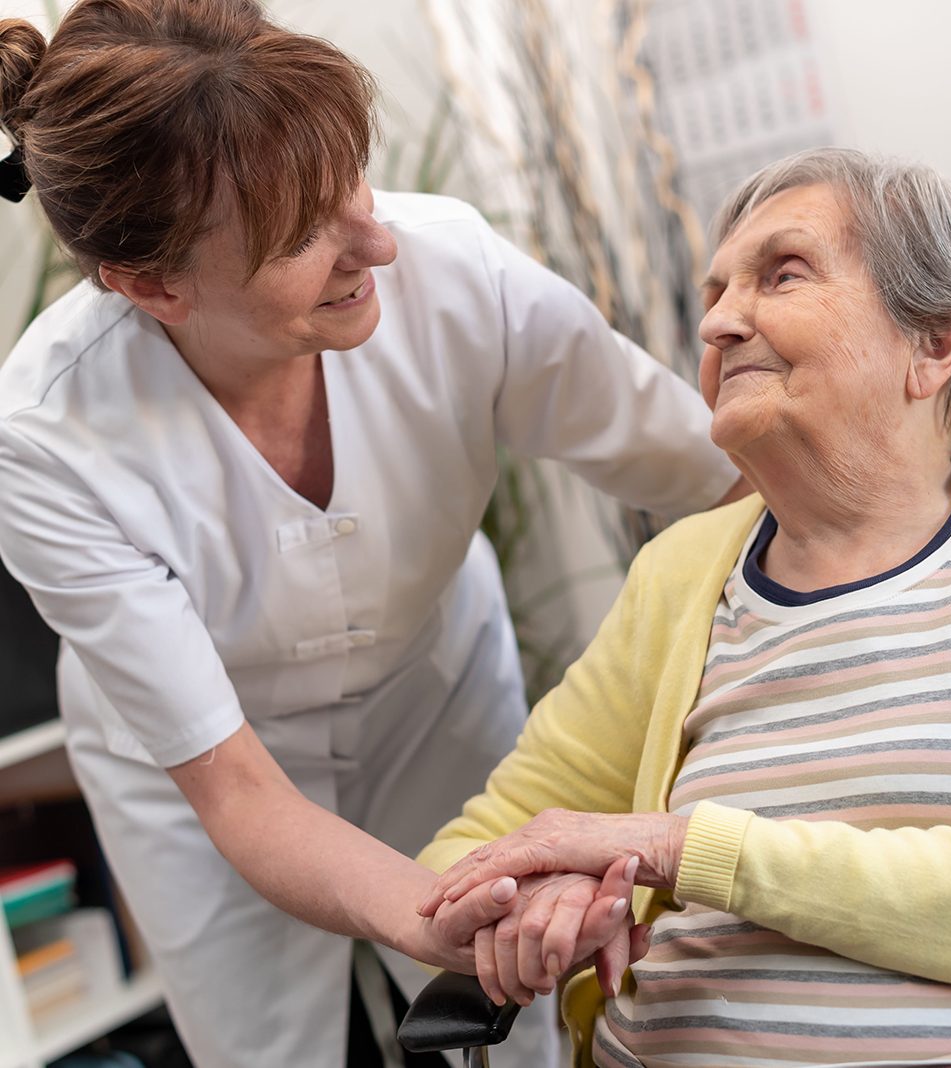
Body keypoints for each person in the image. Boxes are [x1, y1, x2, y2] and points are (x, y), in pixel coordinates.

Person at [0, 2, 744, 1066]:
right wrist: (427, 915)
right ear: (151, 284)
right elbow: (240, 795)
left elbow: (715, 472)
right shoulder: (47, 440)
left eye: (354, 179)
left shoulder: (456, 272)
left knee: (518, 1036)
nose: (377, 242)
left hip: (433, 696)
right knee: (264, 1051)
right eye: (304, 232)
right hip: (201, 773)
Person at [418, 148, 951, 1068]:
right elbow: (473, 857)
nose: (718, 322)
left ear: (934, 344)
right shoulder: (682, 574)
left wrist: (682, 848)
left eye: (783, 274)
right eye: (716, 292)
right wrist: (538, 898)